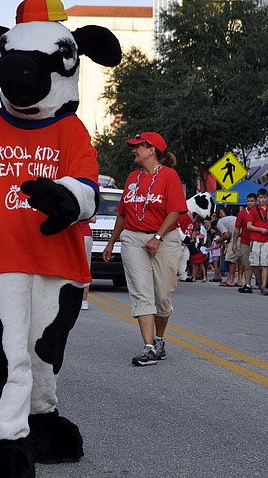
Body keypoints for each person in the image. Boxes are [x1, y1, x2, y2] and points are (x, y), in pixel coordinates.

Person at [103, 131, 187, 366]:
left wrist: (158, 237)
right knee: (141, 292)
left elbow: (176, 210)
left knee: (162, 295)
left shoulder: (169, 176)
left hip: (165, 239)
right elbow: (122, 212)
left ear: (152, 150)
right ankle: (148, 347)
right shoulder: (132, 178)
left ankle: (159, 339)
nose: (134, 150)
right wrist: (112, 242)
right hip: (132, 239)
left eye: (138, 146)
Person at [246, 188, 268, 296]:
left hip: (266, 239)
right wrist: (260, 229)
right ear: (258, 198)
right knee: (255, 263)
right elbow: (248, 225)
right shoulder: (254, 210)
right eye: (260, 198)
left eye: (264, 198)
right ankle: (259, 282)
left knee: (265, 263)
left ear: (267, 198)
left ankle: (264, 286)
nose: (262, 200)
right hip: (255, 239)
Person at [233, 193, 257, 293]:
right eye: (248, 201)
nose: (249, 203)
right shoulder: (242, 213)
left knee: (258, 263)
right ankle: (248, 284)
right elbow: (237, 229)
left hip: (257, 240)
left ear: (256, 202)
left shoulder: (259, 212)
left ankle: (260, 282)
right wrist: (234, 243)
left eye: (251, 201)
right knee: (246, 262)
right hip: (245, 241)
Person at [217, 207, 239, 287]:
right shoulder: (230, 219)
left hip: (236, 235)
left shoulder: (220, 222)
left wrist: (219, 240)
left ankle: (231, 280)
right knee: (239, 259)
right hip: (242, 232)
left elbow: (226, 235)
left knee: (231, 258)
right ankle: (239, 280)